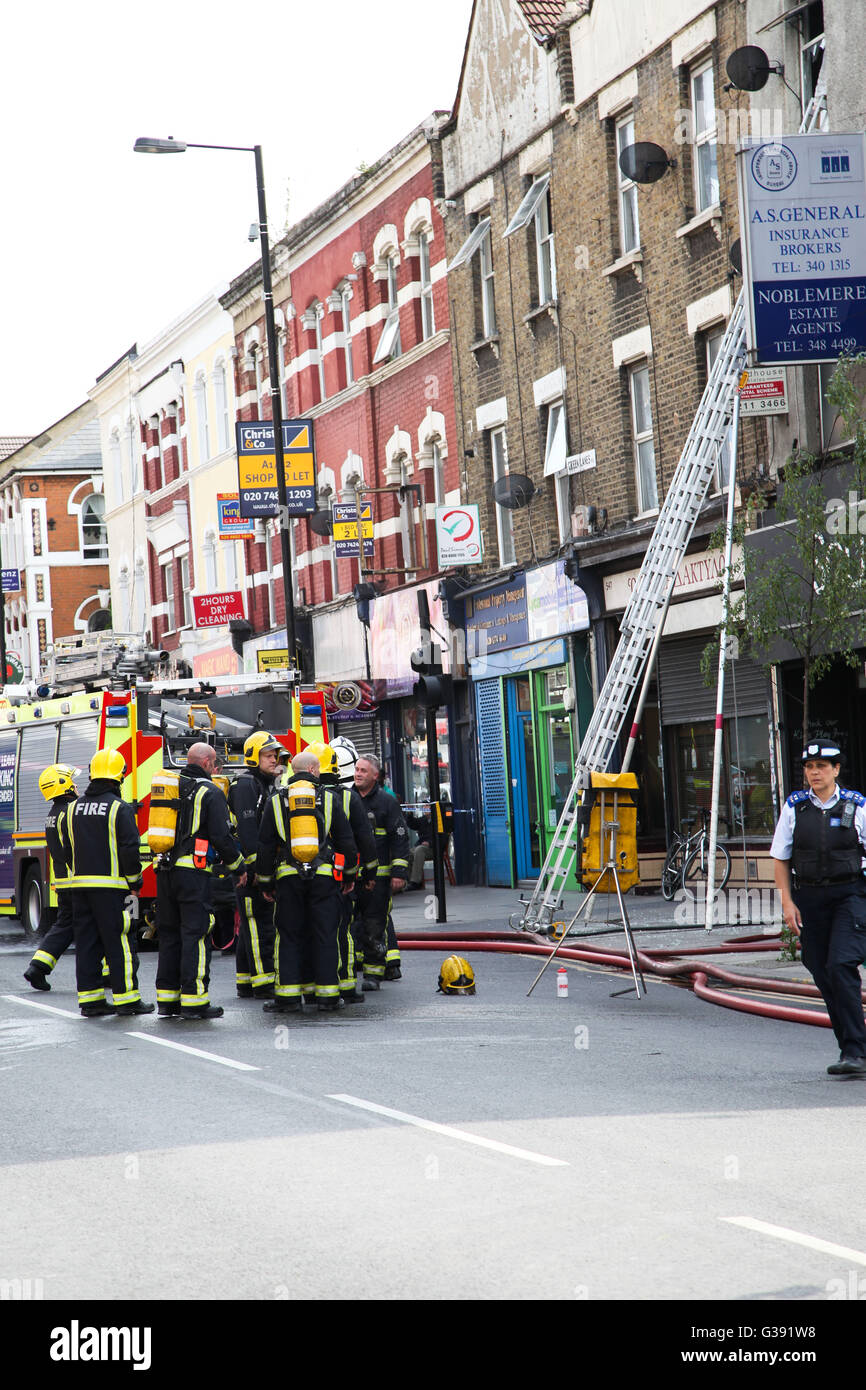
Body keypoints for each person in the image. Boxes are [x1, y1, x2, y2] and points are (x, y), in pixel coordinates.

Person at [771, 738, 866, 1076]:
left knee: (841, 965)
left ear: (836, 770)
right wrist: (787, 903)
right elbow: (780, 858)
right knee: (822, 970)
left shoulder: (857, 806)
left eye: (821, 767)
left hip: (850, 895)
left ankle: (856, 1050)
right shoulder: (795, 807)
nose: (814, 772)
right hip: (809, 898)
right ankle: (851, 1049)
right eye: (809, 767)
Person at [256, 749, 357, 1013]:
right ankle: (327, 997)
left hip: (288, 878)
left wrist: (266, 883)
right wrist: (350, 876)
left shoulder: (276, 800)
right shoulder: (330, 797)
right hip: (324, 877)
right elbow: (346, 841)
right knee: (326, 934)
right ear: (314, 771)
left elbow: (266, 845)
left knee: (288, 935)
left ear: (293, 771)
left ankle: (288, 997)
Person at [155, 742, 246, 1020]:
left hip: (165, 873)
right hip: (193, 874)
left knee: (170, 934)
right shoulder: (211, 792)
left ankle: (168, 1000)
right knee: (195, 933)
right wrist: (238, 866)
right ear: (207, 763)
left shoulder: (171, 786)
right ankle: (194, 1001)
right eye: (214, 763)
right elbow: (221, 836)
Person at [64, 749, 151, 1018]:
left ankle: (91, 1001)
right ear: (118, 777)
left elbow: (67, 849)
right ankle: (127, 1000)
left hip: (80, 888)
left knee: (88, 943)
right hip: (114, 890)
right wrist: (135, 882)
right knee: (120, 941)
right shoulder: (119, 808)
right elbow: (129, 849)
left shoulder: (72, 808)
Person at [310, 741, 378, 1003]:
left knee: (312, 931)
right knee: (341, 929)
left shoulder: (292, 793)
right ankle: (346, 984)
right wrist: (368, 875)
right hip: (340, 877)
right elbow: (364, 840)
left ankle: (314, 985)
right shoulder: (347, 797)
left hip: (303, 878)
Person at [228, 732, 286, 999]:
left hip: (256, 868)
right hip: (250, 871)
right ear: (253, 757)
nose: (274, 759)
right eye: (268, 755)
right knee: (258, 924)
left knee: (251, 924)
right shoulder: (246, 785)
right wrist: (253, 870)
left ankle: (244, 981)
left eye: (275, 755)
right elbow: (250, 832)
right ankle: (263, 984)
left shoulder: (262, 783)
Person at [352, 754, 410, 985]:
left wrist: (399, 874)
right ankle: (355, 965)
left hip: (380, 879)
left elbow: (400, 839)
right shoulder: (347, 798)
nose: (357, 773)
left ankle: (374, 974)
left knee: (374, 923)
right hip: (351, 876)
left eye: (363, 771)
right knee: (351, 922)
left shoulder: (387, 802)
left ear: (375, 776)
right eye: (356, 769)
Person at [23, 764, 80, 991]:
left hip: (64, 881)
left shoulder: (53, 814)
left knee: (66, 926)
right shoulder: (69, 812)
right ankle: (104, 973)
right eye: (71, 781)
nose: (76, 785)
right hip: (76, 879)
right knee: (94, 924)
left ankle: (38, 967)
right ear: (63, 784)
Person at [405, 807, 433, 891]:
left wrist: (430, 843)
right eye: (424, 806)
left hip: (433, 848)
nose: (425, 809)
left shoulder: (438, 820)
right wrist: (410, 813)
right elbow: (412, 824)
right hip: (422, 846)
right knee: (408, 853)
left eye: (427, 806)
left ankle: (415, 882)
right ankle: (409, 881)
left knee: (419, 850)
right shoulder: (423, 820)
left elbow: (443, 837)